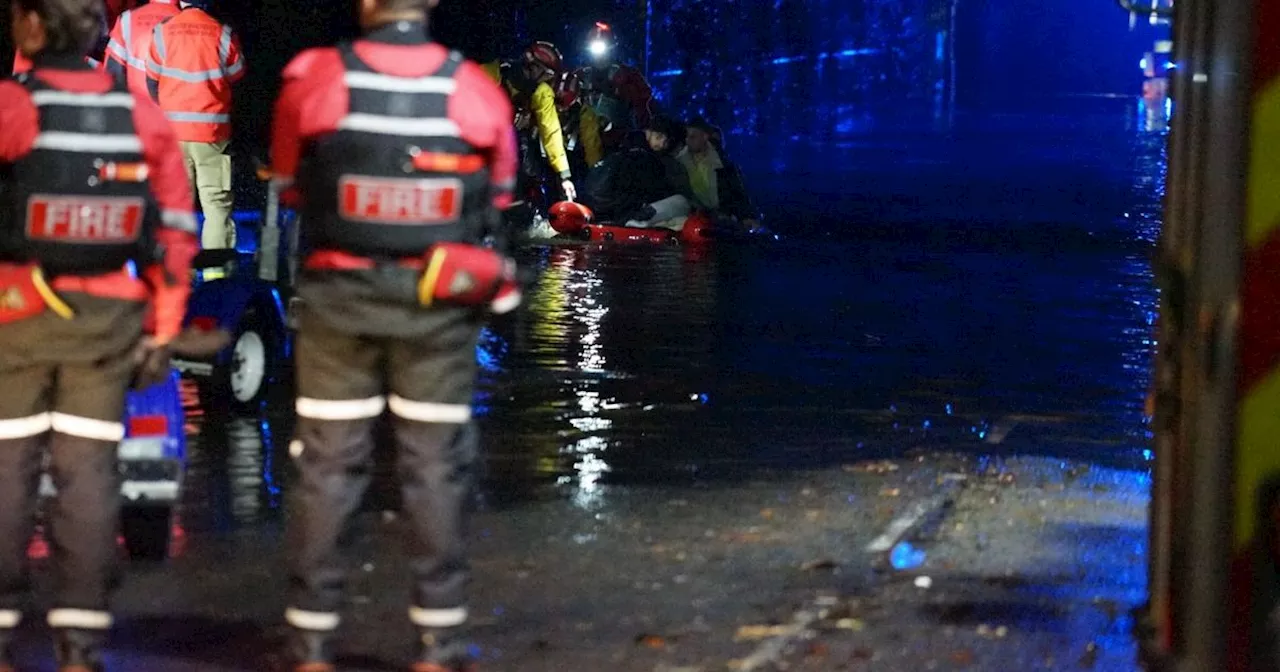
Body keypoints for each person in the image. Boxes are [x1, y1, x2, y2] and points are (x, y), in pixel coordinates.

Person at [270, 0, 519, 668]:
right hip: (437, 306)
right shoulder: (475, 90)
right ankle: (439, 643)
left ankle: (311, 643)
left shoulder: (313, 78)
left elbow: (292, 187)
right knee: (435, 467)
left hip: (337, 303)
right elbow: (495, 200)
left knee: (327, 466)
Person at [0, 0, 199, 668]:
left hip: (15, 314)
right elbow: (175, 226)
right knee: (88, 477)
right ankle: (80, 645)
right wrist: (165, 327)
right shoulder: (141, 114)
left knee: (7, 472)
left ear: (29, 27)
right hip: (110, 317)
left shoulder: (9, 105)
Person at [145, 0, 244, 256]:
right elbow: (238, 77)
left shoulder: (163, 31)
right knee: (217, 208)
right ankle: (217, 276)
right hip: (212, 136)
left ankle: (176, 274)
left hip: (173, 136)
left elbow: (151, 80)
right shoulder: (223, 34)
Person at [482, 41, 575, 207]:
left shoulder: (541, 93)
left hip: (512, 141)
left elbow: (551, 133)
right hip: (481, 137)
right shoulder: (491, 74)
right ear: (534, 67)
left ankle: (524, 210)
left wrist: (564, 175)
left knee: (527, 165)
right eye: (548, 74)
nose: (550, 79)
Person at [576, 22, 655, 153]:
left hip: (621, 143)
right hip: (586, 143)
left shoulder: (629, 76)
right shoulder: (580, 76)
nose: (599, 55)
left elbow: (643, 109)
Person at [677, 118, 760, 231]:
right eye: (686, 137)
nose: (688, 140)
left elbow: (738, 191)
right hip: (690, 214)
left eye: (693, 137)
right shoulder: (679, 162)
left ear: (705, 137)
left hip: (719, 216)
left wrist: (746, 216)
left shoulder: (723, 164)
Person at [104, 0, 179, 96]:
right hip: (171, 106)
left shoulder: (127, 19)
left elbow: (113, 71)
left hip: (137, 105)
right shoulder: (186, 22)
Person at [552, 69, 604, 182]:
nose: (561, 108)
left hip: (578, 159)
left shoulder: (586, 112)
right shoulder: (547, 103)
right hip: (556, 160)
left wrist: (595, 174)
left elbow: (591, 143)